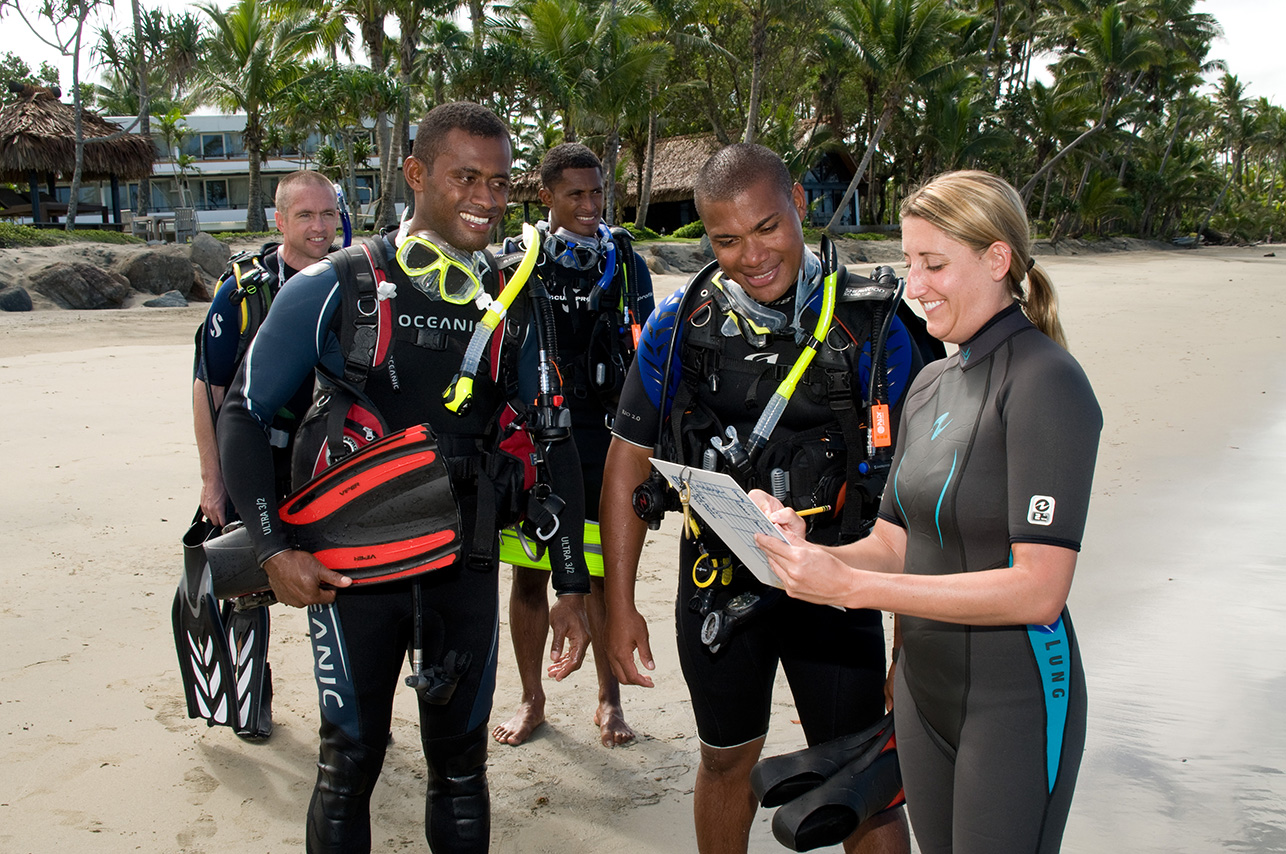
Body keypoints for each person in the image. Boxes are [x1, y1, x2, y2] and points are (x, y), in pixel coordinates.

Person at [215, 102, 591, 853]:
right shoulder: (336, 285)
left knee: (462, 769)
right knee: (349, 762)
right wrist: (272, 548)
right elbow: (244, 413)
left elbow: (556, 440)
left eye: (499, 182)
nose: (487, 198)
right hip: (351, 573)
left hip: (464, 566)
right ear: (416, 174)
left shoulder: (514, 299)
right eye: (465, 178)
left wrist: (573, 585)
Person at [755, 169, 1102, 854]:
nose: (913, 286)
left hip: (1015, 698)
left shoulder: (1046, 382)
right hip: (924, 693)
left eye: (934, 264)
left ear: (997, 259)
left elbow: (1038, 591)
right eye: (910, 262)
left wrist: (853, 589)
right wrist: (811, 553)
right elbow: (894, 543)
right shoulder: (929, 385)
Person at [601, 143, 922, 854]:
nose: (751, 257)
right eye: (726, 240)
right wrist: (619, 607)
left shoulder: (873, 327)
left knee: (860, 782)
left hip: (840, 582)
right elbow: (626, 465)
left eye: (768, 227)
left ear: (799, 204)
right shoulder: (678, 325)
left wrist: (908, 644)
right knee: (724, 761)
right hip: (717, 581)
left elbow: (911, 500)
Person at [492, 143, 654, 748]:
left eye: (597, 193)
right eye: (575, 194)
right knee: (530, 574)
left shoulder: (627, 264)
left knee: (608, 571)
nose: (590, 205)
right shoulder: (519, 264)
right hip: (538, 438)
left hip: (609, 439)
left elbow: (650, 354)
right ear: (546, 197)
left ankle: (609, 700)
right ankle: (531, 698)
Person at [185, 170, 340, 740]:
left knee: (338, 582)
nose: (320, 226)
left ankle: (346, 705)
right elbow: (209, 388)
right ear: (280, 220)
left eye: (329, 214)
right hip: (258, 458)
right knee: (248, 586)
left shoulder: (355, 282)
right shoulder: (245, 291)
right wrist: (214, 481)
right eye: (306, 215)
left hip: (329, 465)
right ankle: (251, 694)